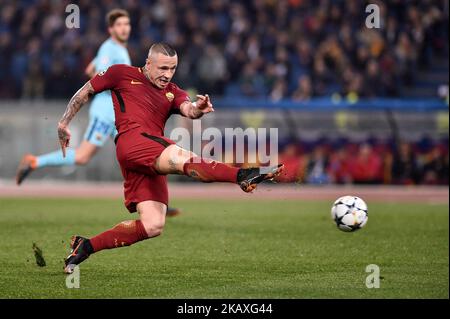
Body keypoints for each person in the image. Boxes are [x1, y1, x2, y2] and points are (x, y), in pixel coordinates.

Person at [60, 42, 283, 274]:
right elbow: (85, 91)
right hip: (133, 142)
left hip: (148, 153)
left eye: (172, 69)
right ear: (148, 63)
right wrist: (64, 123)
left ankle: (85, 246)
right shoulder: (121, 73)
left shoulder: (173, 92)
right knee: (182, 158)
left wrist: (198, 108)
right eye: (163, 68)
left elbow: (188, 109)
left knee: (153, 225)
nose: (167, 75)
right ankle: (242, 175)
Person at [14, 9, 181, 217]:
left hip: (118, 113)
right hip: (106, 112)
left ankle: (154, 200)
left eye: (127, 24)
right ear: (111, 29)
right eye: (119, 25)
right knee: (85, 156)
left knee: (139, 155)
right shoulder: (112, 49)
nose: (124, 28)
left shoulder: (112, 49)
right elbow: (99, 76)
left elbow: (92, 69)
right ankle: (34, 161)